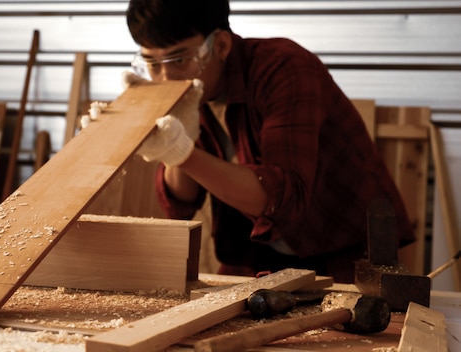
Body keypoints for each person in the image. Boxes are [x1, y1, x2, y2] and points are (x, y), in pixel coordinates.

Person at [123, 0, 415, 283]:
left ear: (221, 45)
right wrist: (178, 141)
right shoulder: (190, 87)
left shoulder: (283, 67)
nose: (165, 77)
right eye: (151, 62)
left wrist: (181, 153)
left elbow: (284, 199)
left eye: (179, 59)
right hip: (253, 252)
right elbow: (180, 205)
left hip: (339, 250)